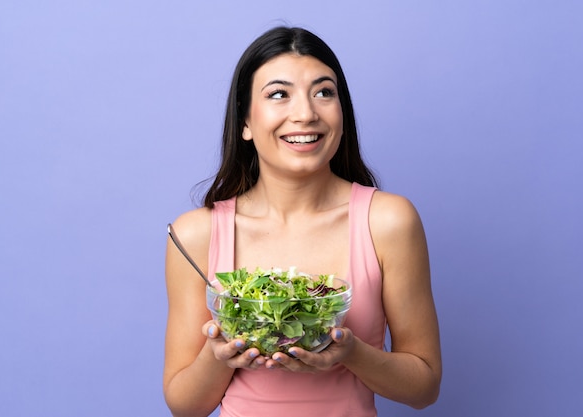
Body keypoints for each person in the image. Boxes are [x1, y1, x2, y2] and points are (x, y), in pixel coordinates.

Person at [163, 26, 442, 417]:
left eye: (324, 92)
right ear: (245, 122)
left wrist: (351, 353)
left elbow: (424, 388)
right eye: (279, 94)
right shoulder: (195, 234)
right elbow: (183, 406)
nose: (306, 113)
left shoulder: (388, 222)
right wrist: (219, 355)